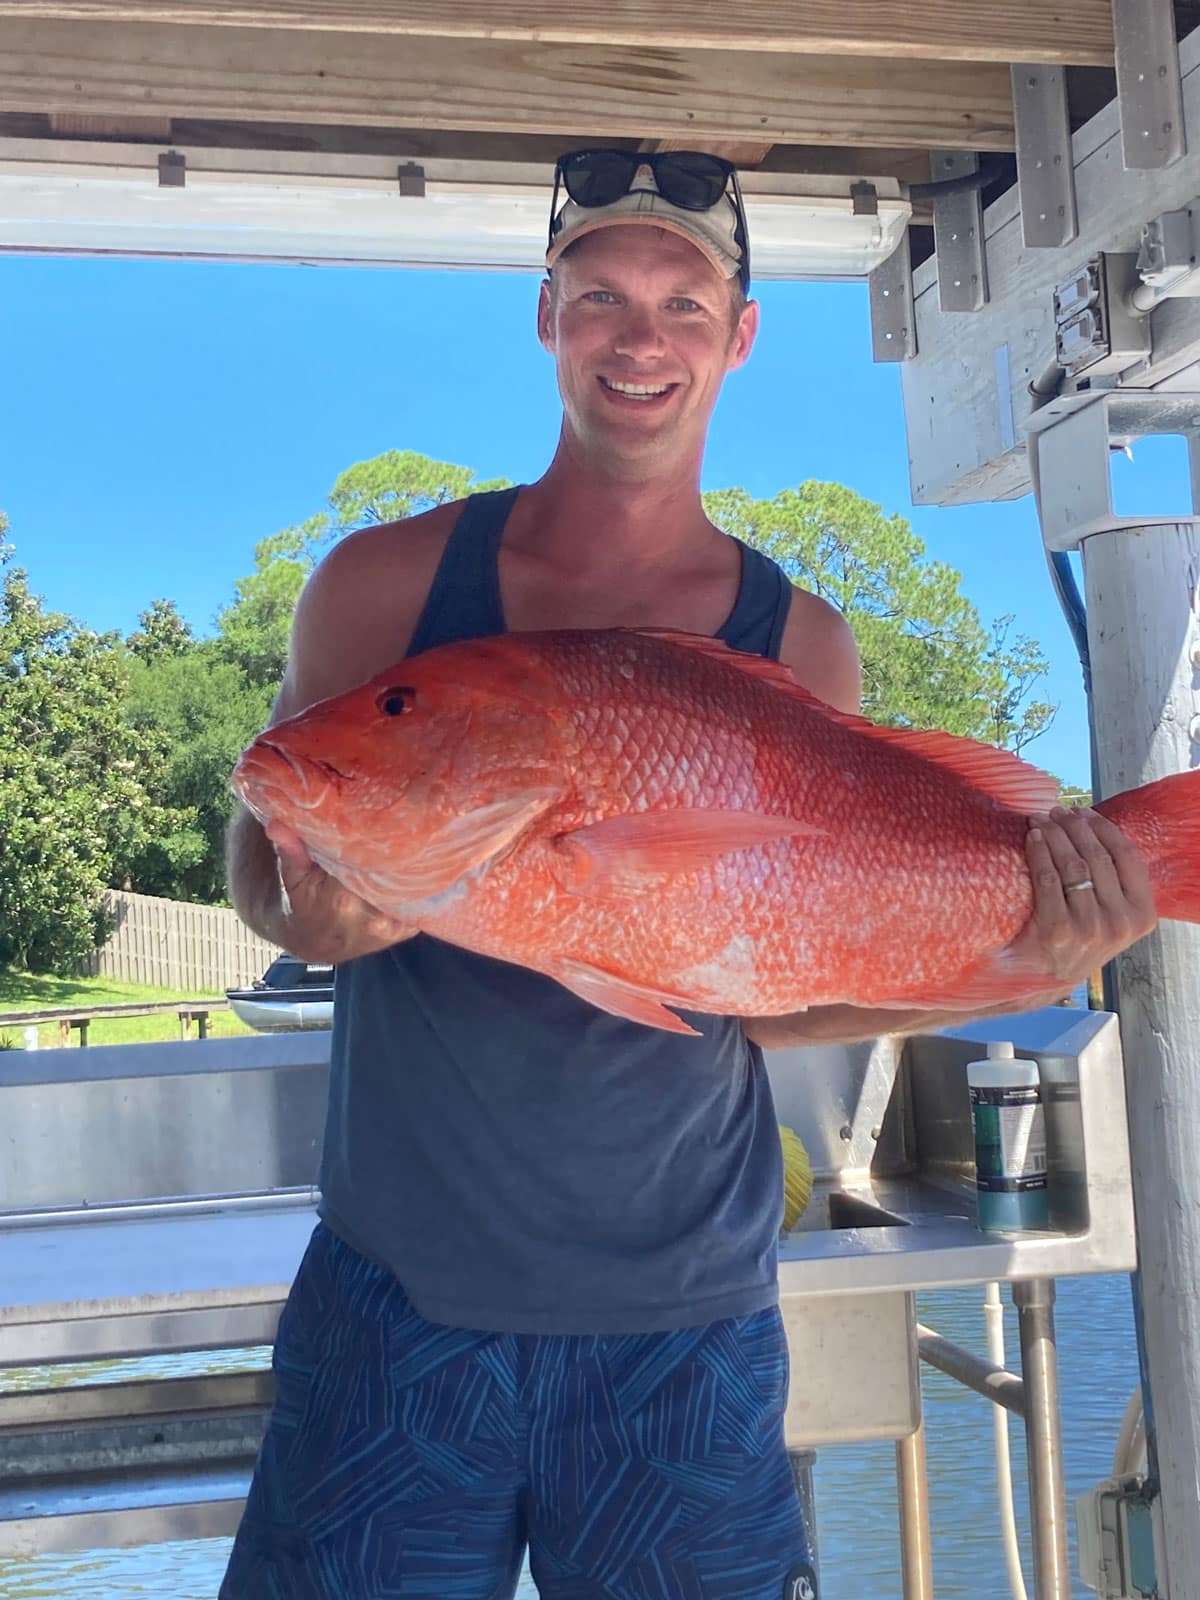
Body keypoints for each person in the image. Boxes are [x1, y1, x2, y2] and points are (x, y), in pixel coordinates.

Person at [220, 148, 1156, 1600]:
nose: (638, 338)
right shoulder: (385, 588)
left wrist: (1013, 961)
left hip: (687, 1324)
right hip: (400, 1302)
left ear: (739, 334)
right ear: (547, 316)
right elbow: (272, 807)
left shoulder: (803, 645)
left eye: (681, 300)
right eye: (600, 298)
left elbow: (773, 1001)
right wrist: (301, 908)